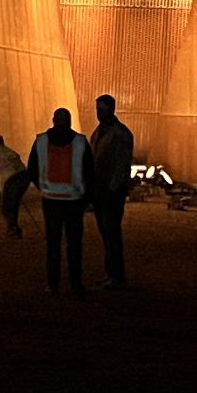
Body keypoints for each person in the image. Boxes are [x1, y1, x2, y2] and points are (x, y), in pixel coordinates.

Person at [26, 107, 94, 297]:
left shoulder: (41, 141)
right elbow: (89, 171)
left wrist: (42, 187)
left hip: (50, 200)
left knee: (53, 245)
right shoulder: (80, 142)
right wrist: (88, 199)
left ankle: (52, 284)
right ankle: (75, 284)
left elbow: (31, 168)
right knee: (74, 245)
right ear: (70, 121)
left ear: (53, 120)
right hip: (74, 201)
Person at [89, 94, 135, 289]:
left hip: (110, 192)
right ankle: (112, 273)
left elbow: (122, 164)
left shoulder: (118, 134)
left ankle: (115, 275)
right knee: (107, 232)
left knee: (111, 232)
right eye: (98, 110)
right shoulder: (103, 132)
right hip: (102, 190)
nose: (99, 113)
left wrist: (114, 189)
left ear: (111, 109)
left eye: (102, 109)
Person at [0, 135, 30, 239]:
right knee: (14, 204)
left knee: (6, 207)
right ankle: (14, 227)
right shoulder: (9, 151)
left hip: (10, 179)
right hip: (24, 176)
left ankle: (12, 229)